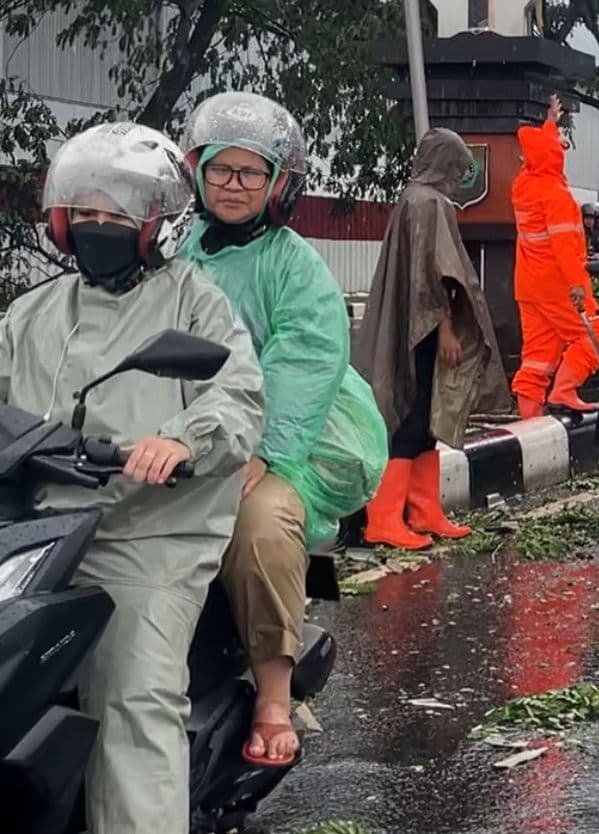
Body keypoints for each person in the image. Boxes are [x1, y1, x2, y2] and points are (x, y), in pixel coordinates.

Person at [5, 122, 264, 833]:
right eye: (84, 215)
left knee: (128, 694)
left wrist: (178, 440)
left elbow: (237, 394)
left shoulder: (195, 302)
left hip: (146, 535)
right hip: (34, 528)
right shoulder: (31, 314)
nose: (97, 228)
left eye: (115, 216)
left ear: (156, 224)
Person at [180, 91, 386, 769]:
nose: (231, 185)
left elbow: (304, 359)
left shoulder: (293, 265)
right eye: (220, 170)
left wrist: (263, 454)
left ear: (277, 184)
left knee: (259, 525)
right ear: (197, 172)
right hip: (182, 433)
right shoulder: (174, 251)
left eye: (249, 173)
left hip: (293, 442)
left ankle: (272, 692)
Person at [353, 127, 511, 548]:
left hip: (411, 321)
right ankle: (386, 518)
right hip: (423, 327)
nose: (461, 175)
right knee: (412, 412)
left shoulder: (414, 199)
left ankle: (422, 508)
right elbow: (437, 274)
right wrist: (445, 327)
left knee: (423, 416)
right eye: (458, 166)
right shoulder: (429, 203)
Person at [510, 94, 599, 417]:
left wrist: (550, 123)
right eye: (556, 148)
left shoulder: (523, 185)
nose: (559, 151)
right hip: (559, 284)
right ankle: (565, 391)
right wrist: (578, 286)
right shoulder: (554, 194)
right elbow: (563, 247)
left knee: (537, 356)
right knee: (598, 337)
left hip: (528, 285)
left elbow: (540, 151)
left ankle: (530, 419)